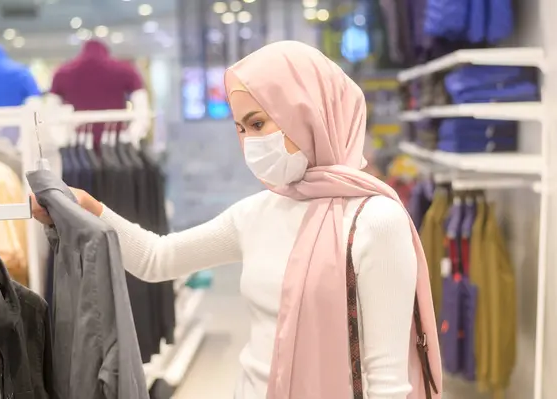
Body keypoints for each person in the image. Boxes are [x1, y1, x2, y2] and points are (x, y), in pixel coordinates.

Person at [32, 41, 442, 399]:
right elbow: (158, 258)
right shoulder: (257, 213)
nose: (250, 142)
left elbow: (388, 385)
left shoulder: (377, 221)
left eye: (259, 123)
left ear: (310, 113)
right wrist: (87, 208)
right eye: (241, 128)